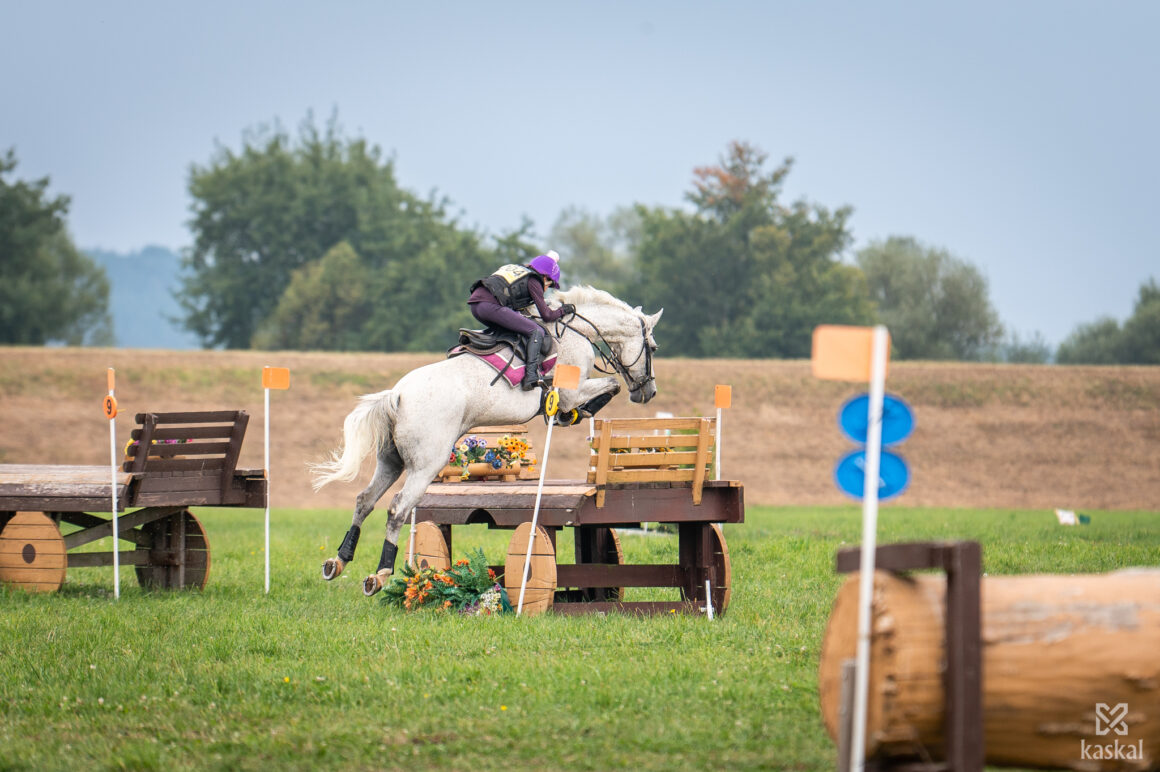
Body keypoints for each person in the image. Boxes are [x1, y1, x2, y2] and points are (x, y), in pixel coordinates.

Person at [468, 251, 575, 390]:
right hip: (489, 306)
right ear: (545, 277)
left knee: (518, 328)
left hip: (476, 307)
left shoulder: (517, 269)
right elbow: (547, 316)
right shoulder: (534, 280)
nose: (547, 287)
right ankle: (531, 376)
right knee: (536, 331)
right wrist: (563, 311)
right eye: (550, 284)